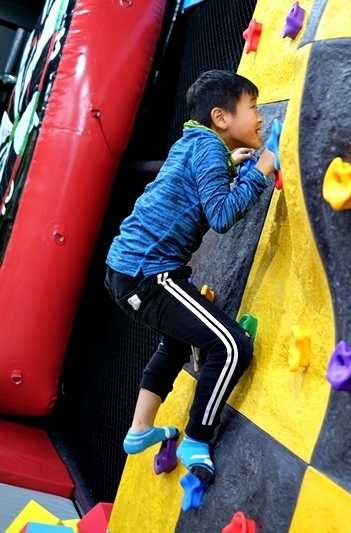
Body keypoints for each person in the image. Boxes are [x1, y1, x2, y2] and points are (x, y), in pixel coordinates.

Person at [103, 70, 275, 481]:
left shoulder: (196, 143)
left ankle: (140, 430)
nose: (260, 118)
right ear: (221, 117)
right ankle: (198, 438)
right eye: (252, 108)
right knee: (232, 346)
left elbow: (193, 183)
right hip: (148, 274)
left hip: (126, 269)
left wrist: (231, 166)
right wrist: (262, 168)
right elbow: (221, 215)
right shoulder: (208, 150)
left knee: (179, 342)